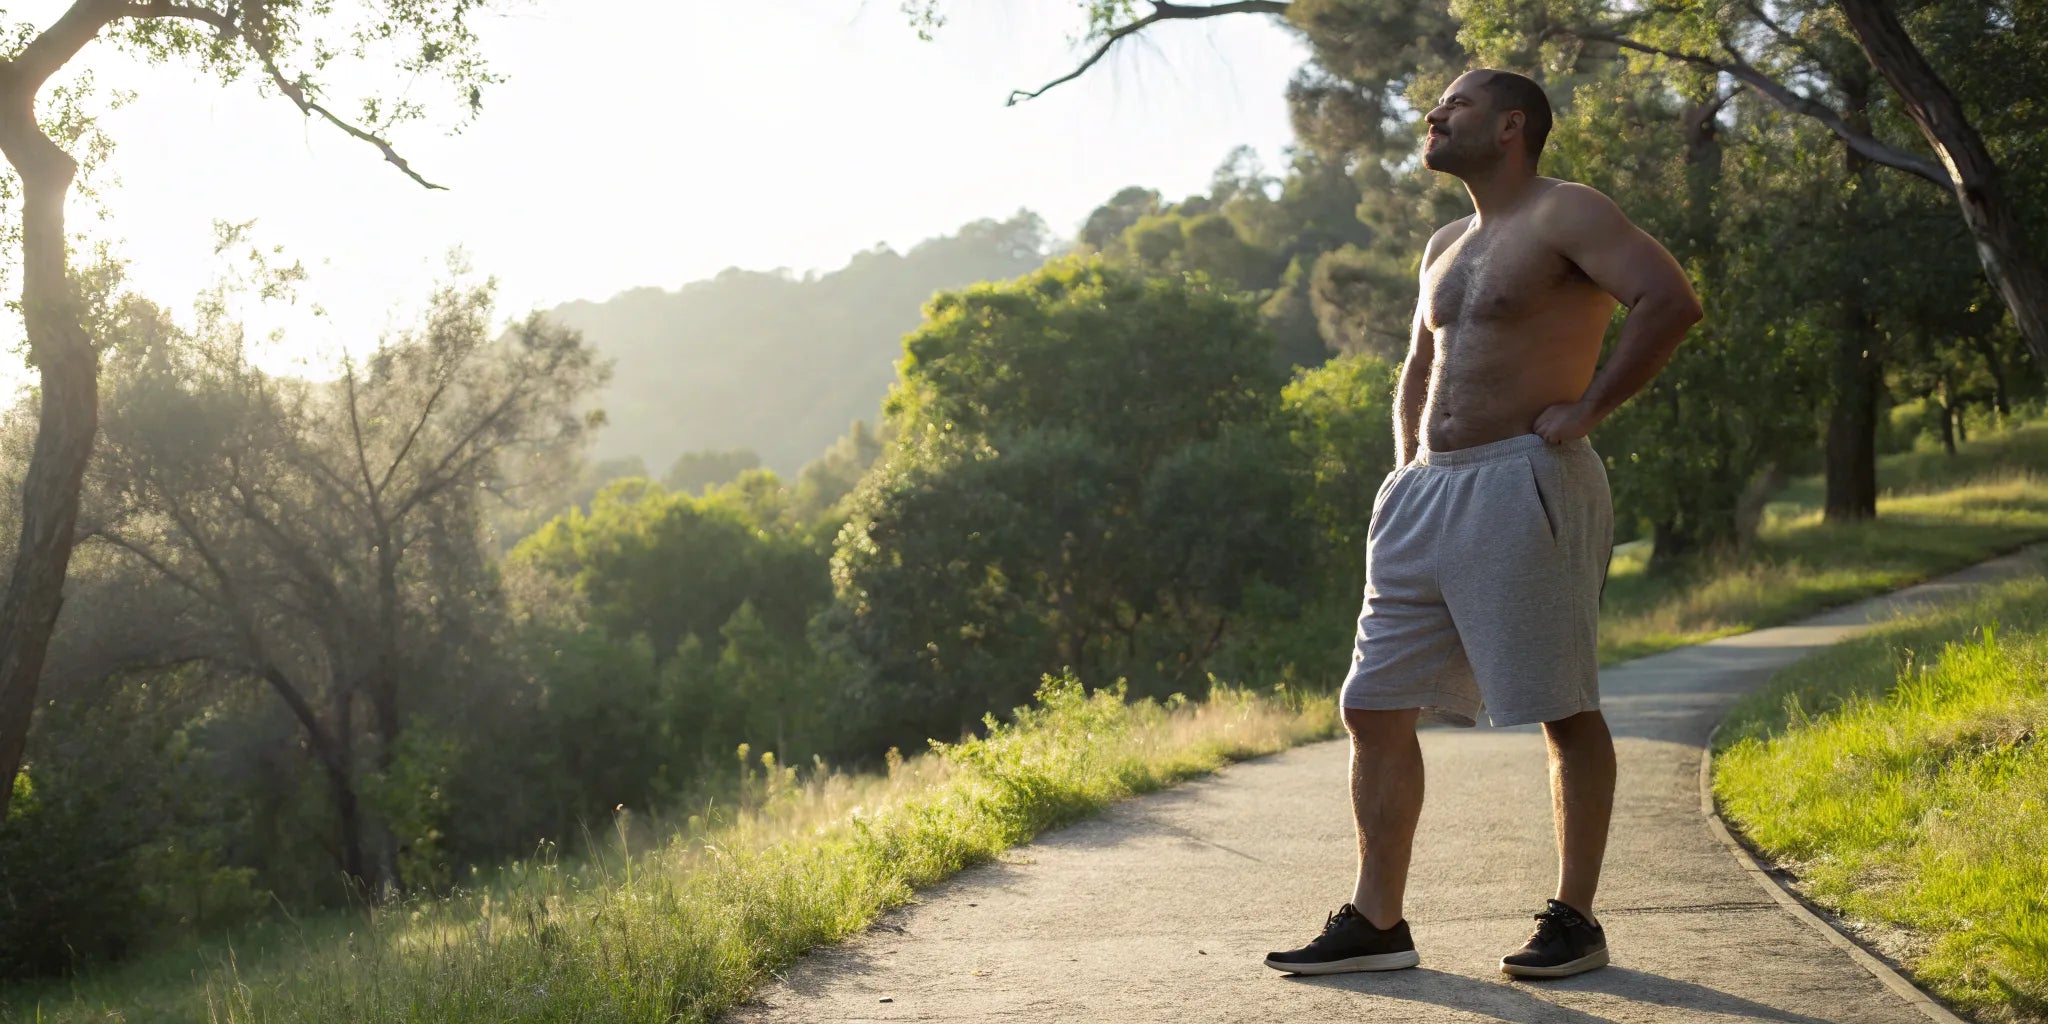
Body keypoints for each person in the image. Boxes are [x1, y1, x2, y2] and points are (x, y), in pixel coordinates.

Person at [1263, 69, 1704, 980]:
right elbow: (1419, 365)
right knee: (1371, 705)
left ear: (1510, 125)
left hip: (1523, 479)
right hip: (1426, 492)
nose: (1433, 113)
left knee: (1561, 705)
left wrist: (1588, 409)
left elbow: (1670, 300)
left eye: (1455, 104)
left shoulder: (1567, 211)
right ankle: (1378, 921)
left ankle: (1575, 919)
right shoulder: (1444, 242)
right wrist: (1404, 466)